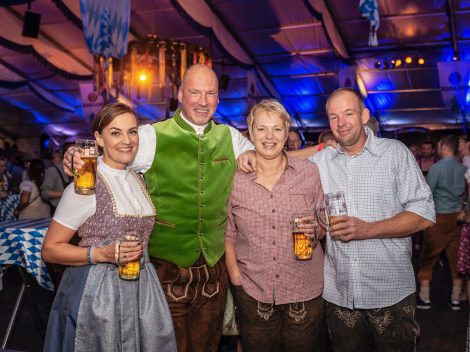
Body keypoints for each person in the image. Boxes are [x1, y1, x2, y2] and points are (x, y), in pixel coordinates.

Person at [65, 64, 254, 352]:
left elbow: (272, 158)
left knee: (207, 346)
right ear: (180, 95)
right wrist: (76, 155)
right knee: (166, 345)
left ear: (218, 98)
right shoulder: (150, 136)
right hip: (166, 268)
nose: (203, 101)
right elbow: (111, 152)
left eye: (210, 93)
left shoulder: (232, 138)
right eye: (195, 92)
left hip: (213, 271)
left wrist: (318, 151)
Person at [307, 88, 435, 351]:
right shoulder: (323, 161)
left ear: (364, 116)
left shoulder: (394, 153)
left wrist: (368, 229)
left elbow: (424, 214)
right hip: (340, 293)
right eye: (333, 117)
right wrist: (252, 155)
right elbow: (282, 164)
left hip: (389, 292)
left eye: (348, 113)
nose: (341, 122)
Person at [42, 102, 176, 351]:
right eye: (115, 133)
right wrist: (99, 253)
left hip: (142, 288)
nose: (126, 140)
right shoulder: (85, 184)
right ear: (98, 139)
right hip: (98, 295)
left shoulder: (139, 178)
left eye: (132, 131)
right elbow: (50, 250)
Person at [225, 100, 325, 351]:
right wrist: (236, 277)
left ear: (287, 132)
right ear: (251, 132)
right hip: (253, 291)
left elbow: (324, 222)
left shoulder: (308, 172)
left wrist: (317, 230)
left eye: (277, 129)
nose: (269, 137)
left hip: (304, 289)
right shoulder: (234, 179)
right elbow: (228, 232)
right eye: (261, 129)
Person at [417, 135, 466, 310]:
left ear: (444, 147)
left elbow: (427, 193)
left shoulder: (437, 168)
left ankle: (424, 297)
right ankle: (455, 299)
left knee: (428, 258)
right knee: (455, 259)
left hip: (439, 218)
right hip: (458, 219)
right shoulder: (462, 168)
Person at [41, 146, 72, 215]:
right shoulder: (52, 171)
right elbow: (44, 192)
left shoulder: (76, 169)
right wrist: (65, 193)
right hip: (58, 210)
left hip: (72, 209)